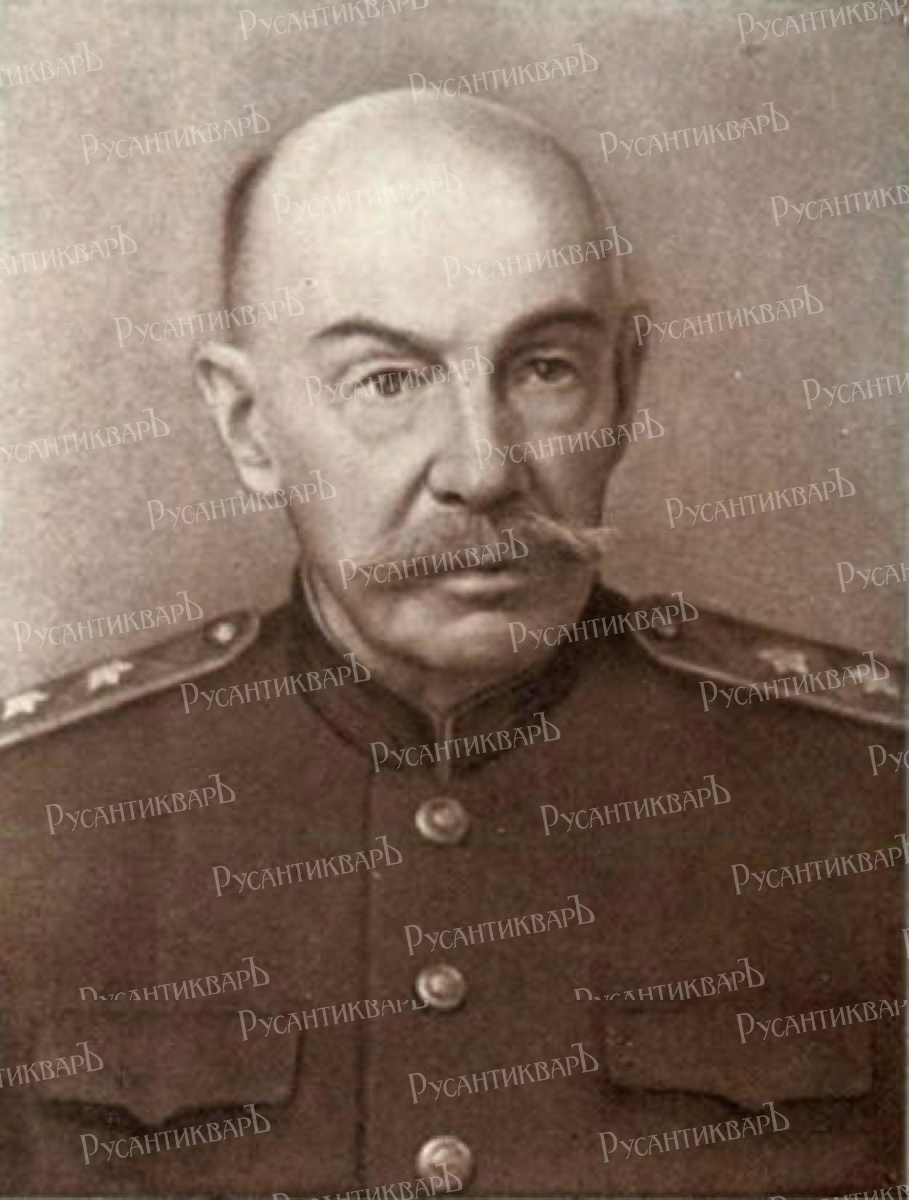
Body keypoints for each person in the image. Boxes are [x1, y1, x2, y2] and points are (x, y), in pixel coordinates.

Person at [0, 90, 902, 1195]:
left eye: (544, 368)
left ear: (625, 384)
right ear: (248, 424)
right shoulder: (34, 820)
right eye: (387, 381)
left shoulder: (867, 794)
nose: (482, 468)